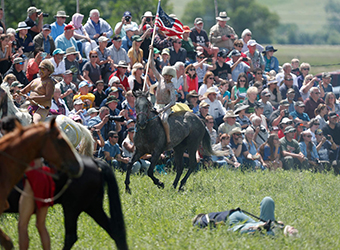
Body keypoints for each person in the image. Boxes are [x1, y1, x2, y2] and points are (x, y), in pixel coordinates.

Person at [193, 197, 298, 237]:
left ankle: (270, 228)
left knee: (268, 201)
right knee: (267, 201)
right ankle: (276, 229)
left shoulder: (201, 220)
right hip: (236, 219)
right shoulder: (203, 221)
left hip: (237, 221)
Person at [149, 47, 176, 145]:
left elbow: (173, 102)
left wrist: (163, 109)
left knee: (164, 119)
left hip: (165, 107)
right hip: (156, 105)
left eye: (169, 76)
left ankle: (168, 139)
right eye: (166, 75)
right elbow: (152, 66)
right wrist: (151, 52)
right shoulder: (160, 79)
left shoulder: (171, 86)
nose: (167, 77)